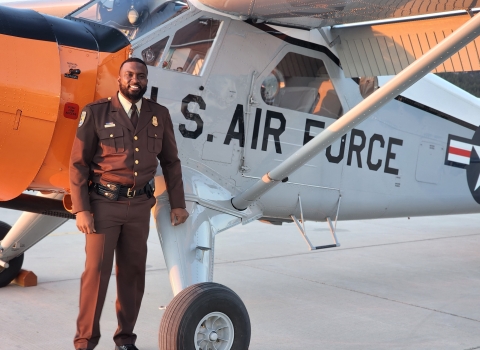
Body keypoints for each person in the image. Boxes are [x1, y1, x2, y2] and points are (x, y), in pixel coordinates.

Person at [69, 57, 189, 350]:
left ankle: (125, 340)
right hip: (103, 205)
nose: (136, 80)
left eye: (141, 76)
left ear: (147, 80)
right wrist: (81, 208)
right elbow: (78, 165)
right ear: (119, 79)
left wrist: (177, 203)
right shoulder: (96, 113)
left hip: (139, 207)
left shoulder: (159, 114)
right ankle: (85, 342)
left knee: (133, 274)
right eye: (130, 75)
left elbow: (171, 162)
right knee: (95, 273)